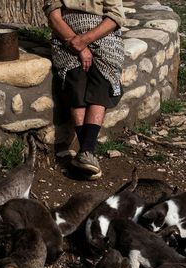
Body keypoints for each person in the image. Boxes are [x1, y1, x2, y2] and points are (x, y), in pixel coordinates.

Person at [44, 0, 125, 180]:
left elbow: (115, 16)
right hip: (67, 38)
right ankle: (87, 154)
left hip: (104, 35)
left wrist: (84, 41)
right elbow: (53, 16)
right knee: (75, 81)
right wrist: (76, 43)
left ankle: (86, 151)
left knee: (102, 81)